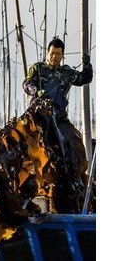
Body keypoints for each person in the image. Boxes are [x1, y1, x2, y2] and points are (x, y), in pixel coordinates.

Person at [22, 37, 93, 213]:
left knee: (73, 145)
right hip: (39, 116)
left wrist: (87, 64)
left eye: (58, 55)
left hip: (59, 117)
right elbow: (26, 83)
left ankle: (72, 181)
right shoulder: (38, 68)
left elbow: (84, 79)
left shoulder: (66, 72)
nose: (54, 57)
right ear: (47, 53)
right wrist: (35, 91)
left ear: (62, 56)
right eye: (52, 53)